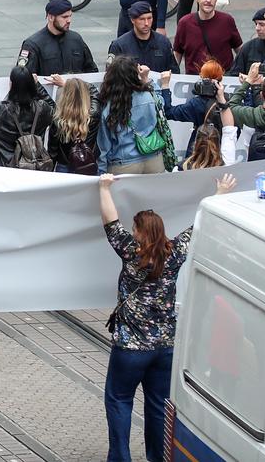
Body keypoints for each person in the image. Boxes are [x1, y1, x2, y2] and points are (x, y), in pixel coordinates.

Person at [97, 171, 235, 462]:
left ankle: (120, 458)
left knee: (119, 400)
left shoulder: (131, 252)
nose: (132, 232)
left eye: (135, 229)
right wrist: (220, 193)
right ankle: (157, 457)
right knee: (158, 404)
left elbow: (109, 222)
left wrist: (105, 187)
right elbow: (199, 226)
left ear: (140, 233)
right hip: (165, 347)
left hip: (130, 348)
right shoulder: (174, 254)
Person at [0, 68, 54, 168]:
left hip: (4, 167)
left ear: (11, 85)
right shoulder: (42, 108)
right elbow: (55, 111)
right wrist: (38, 86)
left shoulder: (0, 110)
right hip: (34, 167)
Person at [96, 57, 168, 175]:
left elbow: (104, 145)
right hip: (154, 159)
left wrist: (101, 172)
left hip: (123, 163)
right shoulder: (148, 96)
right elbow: (161, 104)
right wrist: (147, 79)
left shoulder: (109, 107)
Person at [171, 0, 241, 74]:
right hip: (194, 81)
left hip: (223, 80)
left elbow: (240, 50)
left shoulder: (227, 20)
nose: (208, 0)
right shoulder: (185, 23)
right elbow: (177, 53)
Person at [17, 0, 96, 77]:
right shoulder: (33, 45)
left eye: (70, 16)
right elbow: (23, 79)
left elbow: (91, 70)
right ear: (51, 17)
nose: (69, 20)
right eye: (64, 17)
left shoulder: (76, 39)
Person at [47, 78, 100, 174]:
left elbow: (52, 151)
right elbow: (94, 91)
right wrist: (70, 84)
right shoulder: (93, 116)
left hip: (64, 167)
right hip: (87, 165)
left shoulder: (58, 120)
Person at [108, 2, 174, 73]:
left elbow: (174, 72)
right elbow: (112, 77)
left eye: (149, 18)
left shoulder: (164, 43)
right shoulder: (119, 46)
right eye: (142, 19)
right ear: (132, 20)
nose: (146, 23)